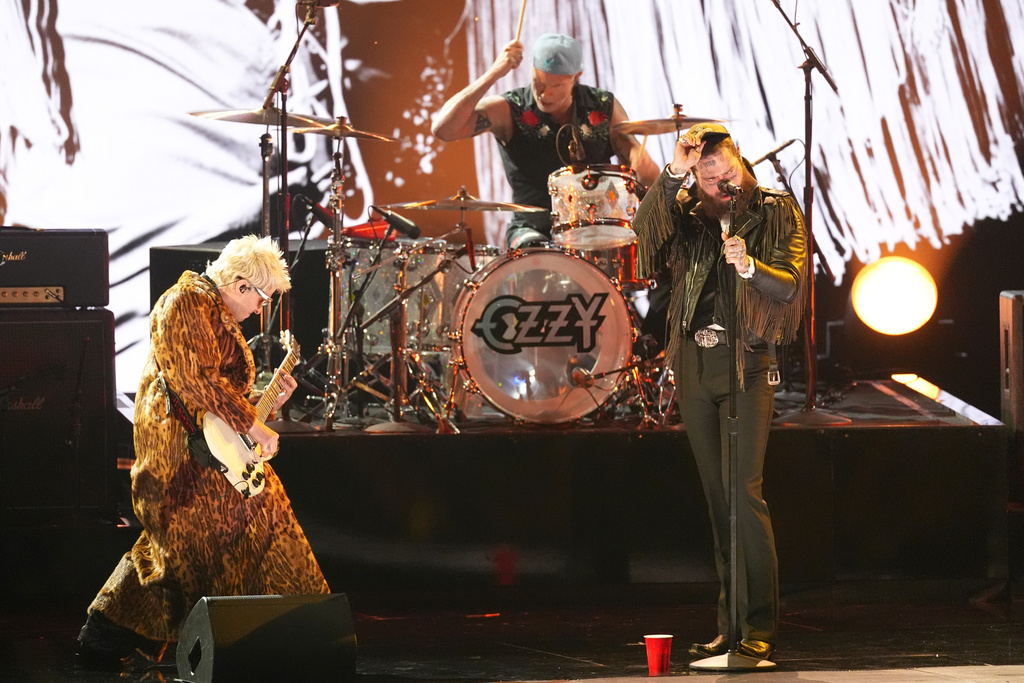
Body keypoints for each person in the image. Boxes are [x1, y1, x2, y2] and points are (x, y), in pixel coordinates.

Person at [77, 235, 329, 668]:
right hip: (179, 453)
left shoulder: (209, 309)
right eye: (262, 296)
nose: (260, 308)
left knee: (190, 545)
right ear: (239, 283)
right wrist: (253, 424)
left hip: (207, 451)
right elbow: (198, 382)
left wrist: (267, 405)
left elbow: (216, 396)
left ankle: (295, 630)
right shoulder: (186, 303)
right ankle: (297, 630)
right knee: (184, 547)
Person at [632, 123, 808, 662]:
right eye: (706, 178)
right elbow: (643, 245)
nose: (718, 185)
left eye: (725, 173)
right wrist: (670, 175)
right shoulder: (686, 210)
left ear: (739, 163)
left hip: (747, 360)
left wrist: (751, 268)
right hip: (694, 361)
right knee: (717, 498)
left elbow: (790, 283)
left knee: (742, 493)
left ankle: (759, 626)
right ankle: (729, 626)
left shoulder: (775, 208)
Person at [431, 33, 660, 250]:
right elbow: (443, 129)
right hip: (531, 229)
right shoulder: (512, 108)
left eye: (556, 86)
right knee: (535, 251)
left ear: (576, 77)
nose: (545, 94)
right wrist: (494, 73)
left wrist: (644, 167)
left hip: (596, 226)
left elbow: (637, 161)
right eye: (538, 83)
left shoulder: (602, 105)